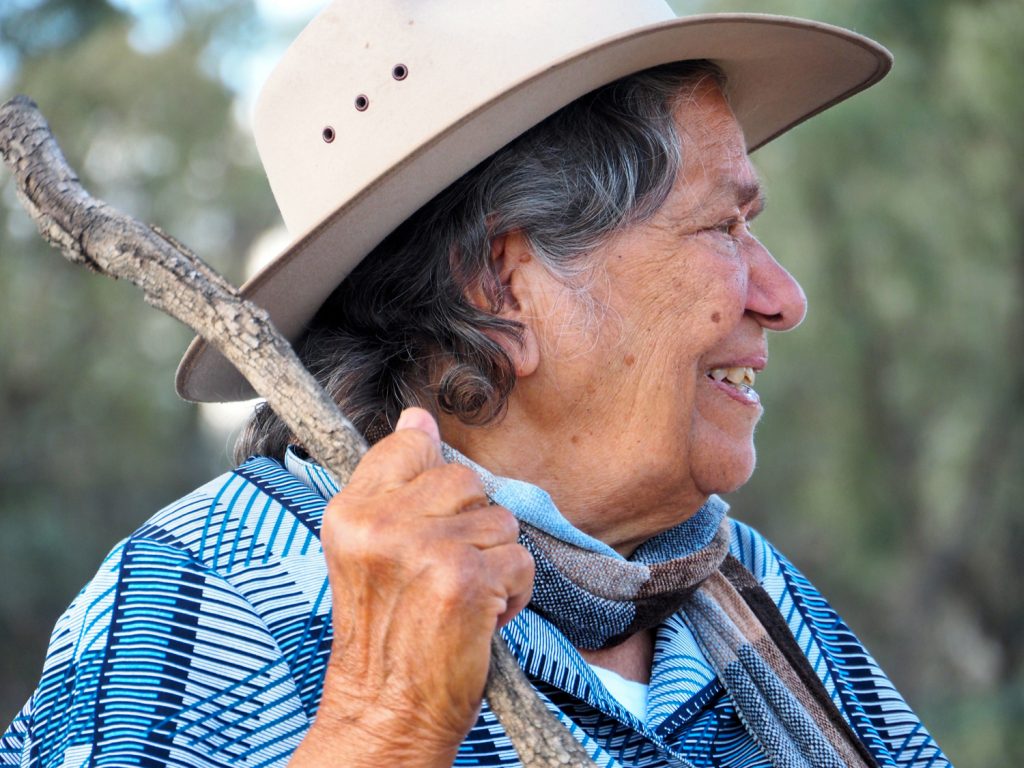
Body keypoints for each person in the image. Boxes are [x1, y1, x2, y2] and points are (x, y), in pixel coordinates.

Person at [1, 1, 951, 767]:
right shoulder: (202, 602)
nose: (784, 298)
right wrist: (385, 724)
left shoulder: (751, 596)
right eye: (723, 229)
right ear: (502, 289)